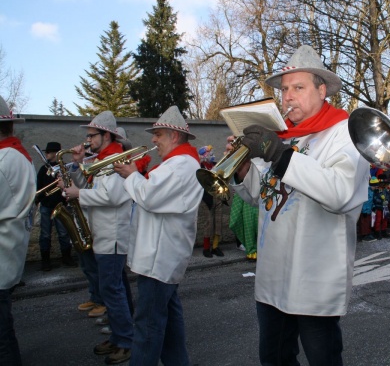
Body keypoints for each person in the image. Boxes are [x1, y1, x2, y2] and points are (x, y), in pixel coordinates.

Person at [229, 45, 369, 365]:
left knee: (323, 360)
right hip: (272, 275)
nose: (287, 97)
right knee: (274, 359)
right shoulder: (286, 136)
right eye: (284, 89)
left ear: (321, 90)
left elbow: (340, 193)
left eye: (298, 87)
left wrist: (278, 155)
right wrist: (243, 168)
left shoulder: (345, 133)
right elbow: (259, 197)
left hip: (313, 277)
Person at [113, 105, 203, 366]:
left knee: (147, 331)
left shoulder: (179, 165)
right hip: (162, 257)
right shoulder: (178, 163)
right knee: (170, 326)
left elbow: (148, 197)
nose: (153, 140)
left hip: (159, 258)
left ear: (174, 136)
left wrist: (131, 174)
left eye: (158, 134)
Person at [62, 111, 133, 364]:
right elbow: (91, 189)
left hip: (112, 236)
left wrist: (78, 194)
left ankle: (125, 340)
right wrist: (76, 169)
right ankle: (118, 336)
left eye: (92, 136)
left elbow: (112, 197)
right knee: (114, 289)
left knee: (111, 291)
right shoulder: (102, 159)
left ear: (106, 135)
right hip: (103, 234)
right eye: (88, 136)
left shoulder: (116, 159)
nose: (87, 140)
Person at [0, 95, 36, 365]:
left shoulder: (6, 160)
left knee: (2, 337)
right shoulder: (19, 157)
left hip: (3, 255)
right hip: (10, 251)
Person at [35, 141, 77, 271]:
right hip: (46, 206)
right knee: (45, 234)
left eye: (48, 152)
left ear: (54, 153)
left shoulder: (63, 167)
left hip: (60, 205)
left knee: (64, 233)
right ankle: (45, 261)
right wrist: (40, 199)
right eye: (46, 152)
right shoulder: (44, 169)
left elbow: (69, 185)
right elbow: (39, 186)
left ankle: (66, 257)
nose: (46, 154)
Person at [228, 192, 259, 260]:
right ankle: (251, 252)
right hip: (246, 200)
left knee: (259, 228)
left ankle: (260, 250)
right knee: (249, 227)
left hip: (259, 201)